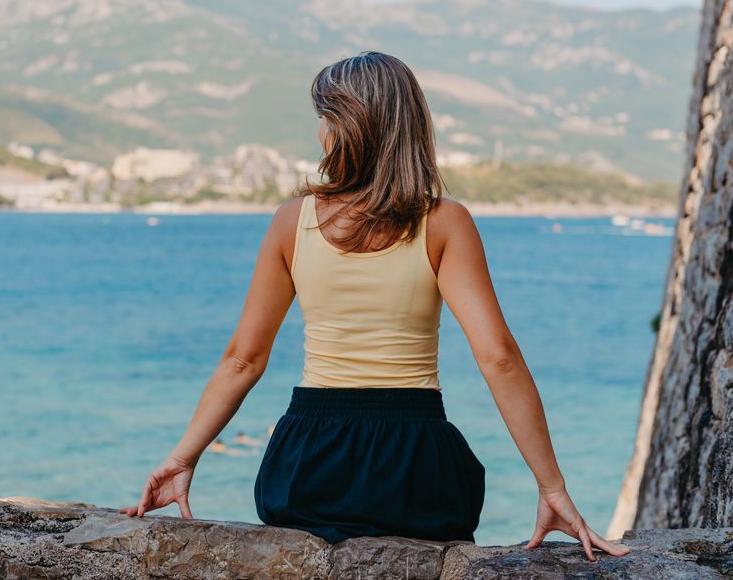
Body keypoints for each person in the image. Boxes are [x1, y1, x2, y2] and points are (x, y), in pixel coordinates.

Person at [119, 51, 631, 561]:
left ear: (343, 127)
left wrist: (182, 458)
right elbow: (498, 357)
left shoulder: (291, 222)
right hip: (414, 463)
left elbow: (243, 360)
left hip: (308, 460)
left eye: (324, 119)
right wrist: (551, 486)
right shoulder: (445, 222)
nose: (320, 132)